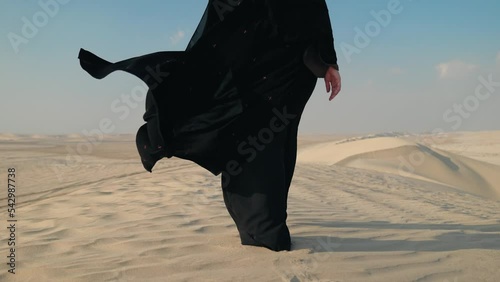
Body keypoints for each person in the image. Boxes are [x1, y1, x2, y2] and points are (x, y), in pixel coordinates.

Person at [78, 0, 341, 252]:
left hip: (293, 64)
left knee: (277, 138)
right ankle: (262, 226)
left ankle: (265, 224)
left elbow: (315, 7)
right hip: (256, 54)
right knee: (251, 132)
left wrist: (328, 61)